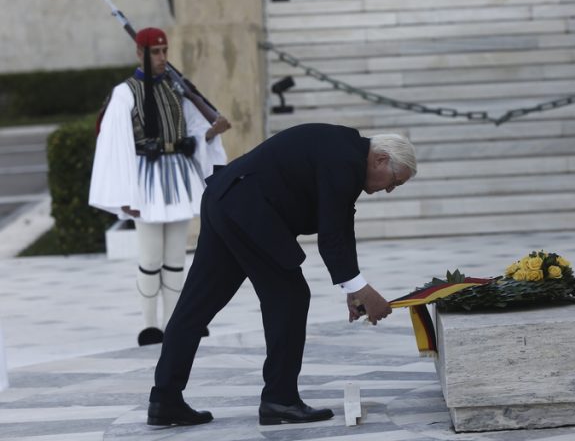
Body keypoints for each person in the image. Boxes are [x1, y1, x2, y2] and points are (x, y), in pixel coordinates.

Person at [146, 123, 417, 427]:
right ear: (380, 159)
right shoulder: (345, 159)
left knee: (196, 306)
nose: (390, 189)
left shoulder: (345, 153)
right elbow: (331, 236)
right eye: (394, 181)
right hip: (247, 209)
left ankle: (165, 399)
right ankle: (280, 400)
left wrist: (353, 288)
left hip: (226, 199)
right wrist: (361, 289)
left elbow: (341, 225)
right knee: (290, 296)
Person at [89, 27, 230, 347]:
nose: (163, 57)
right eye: (156, 51)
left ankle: (176, 322)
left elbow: (193, 133)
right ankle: (150, 325)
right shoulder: (125, 92)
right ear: (140, 53)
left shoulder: (176, 89)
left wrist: (212, 132)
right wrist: (126, 194)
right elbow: (115, 143)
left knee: (175, 258)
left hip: (176, 177)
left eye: (165, 50)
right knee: (150, 258)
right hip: (145, 180)